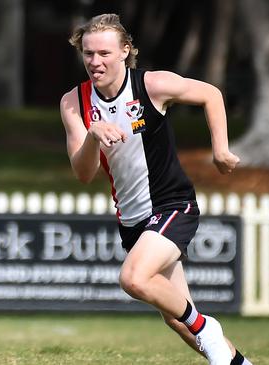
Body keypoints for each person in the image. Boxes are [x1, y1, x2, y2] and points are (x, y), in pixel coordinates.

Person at [60, 14, 251, 365]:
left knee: (133, 278)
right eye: (88, 53)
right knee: (177, 320)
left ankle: (206, 327)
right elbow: (84, 173)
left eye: (103, 53)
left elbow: (210, 93)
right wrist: (92, 136)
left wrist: (220, 149)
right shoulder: (74, 102)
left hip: (172, 204)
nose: (94, 62)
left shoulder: (152, 85)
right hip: (132, 219)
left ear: (125, 52)